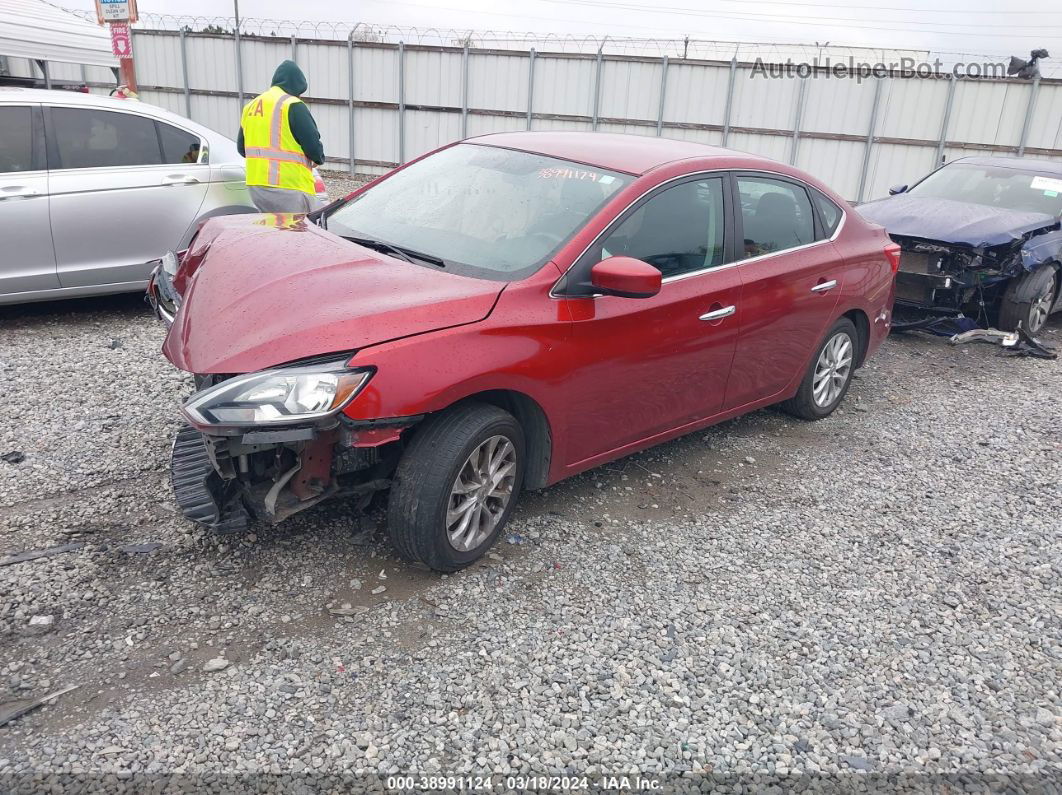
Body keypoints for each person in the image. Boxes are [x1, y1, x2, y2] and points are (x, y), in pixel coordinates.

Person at [237, 60, 324, 213]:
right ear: (296, 86)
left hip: (256, 186)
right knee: (297, 233)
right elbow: (313, 147)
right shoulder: (292, 104)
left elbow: (242, 148)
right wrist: (318, 158)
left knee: (272, 231)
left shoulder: (251, 106)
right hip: (290, 186)